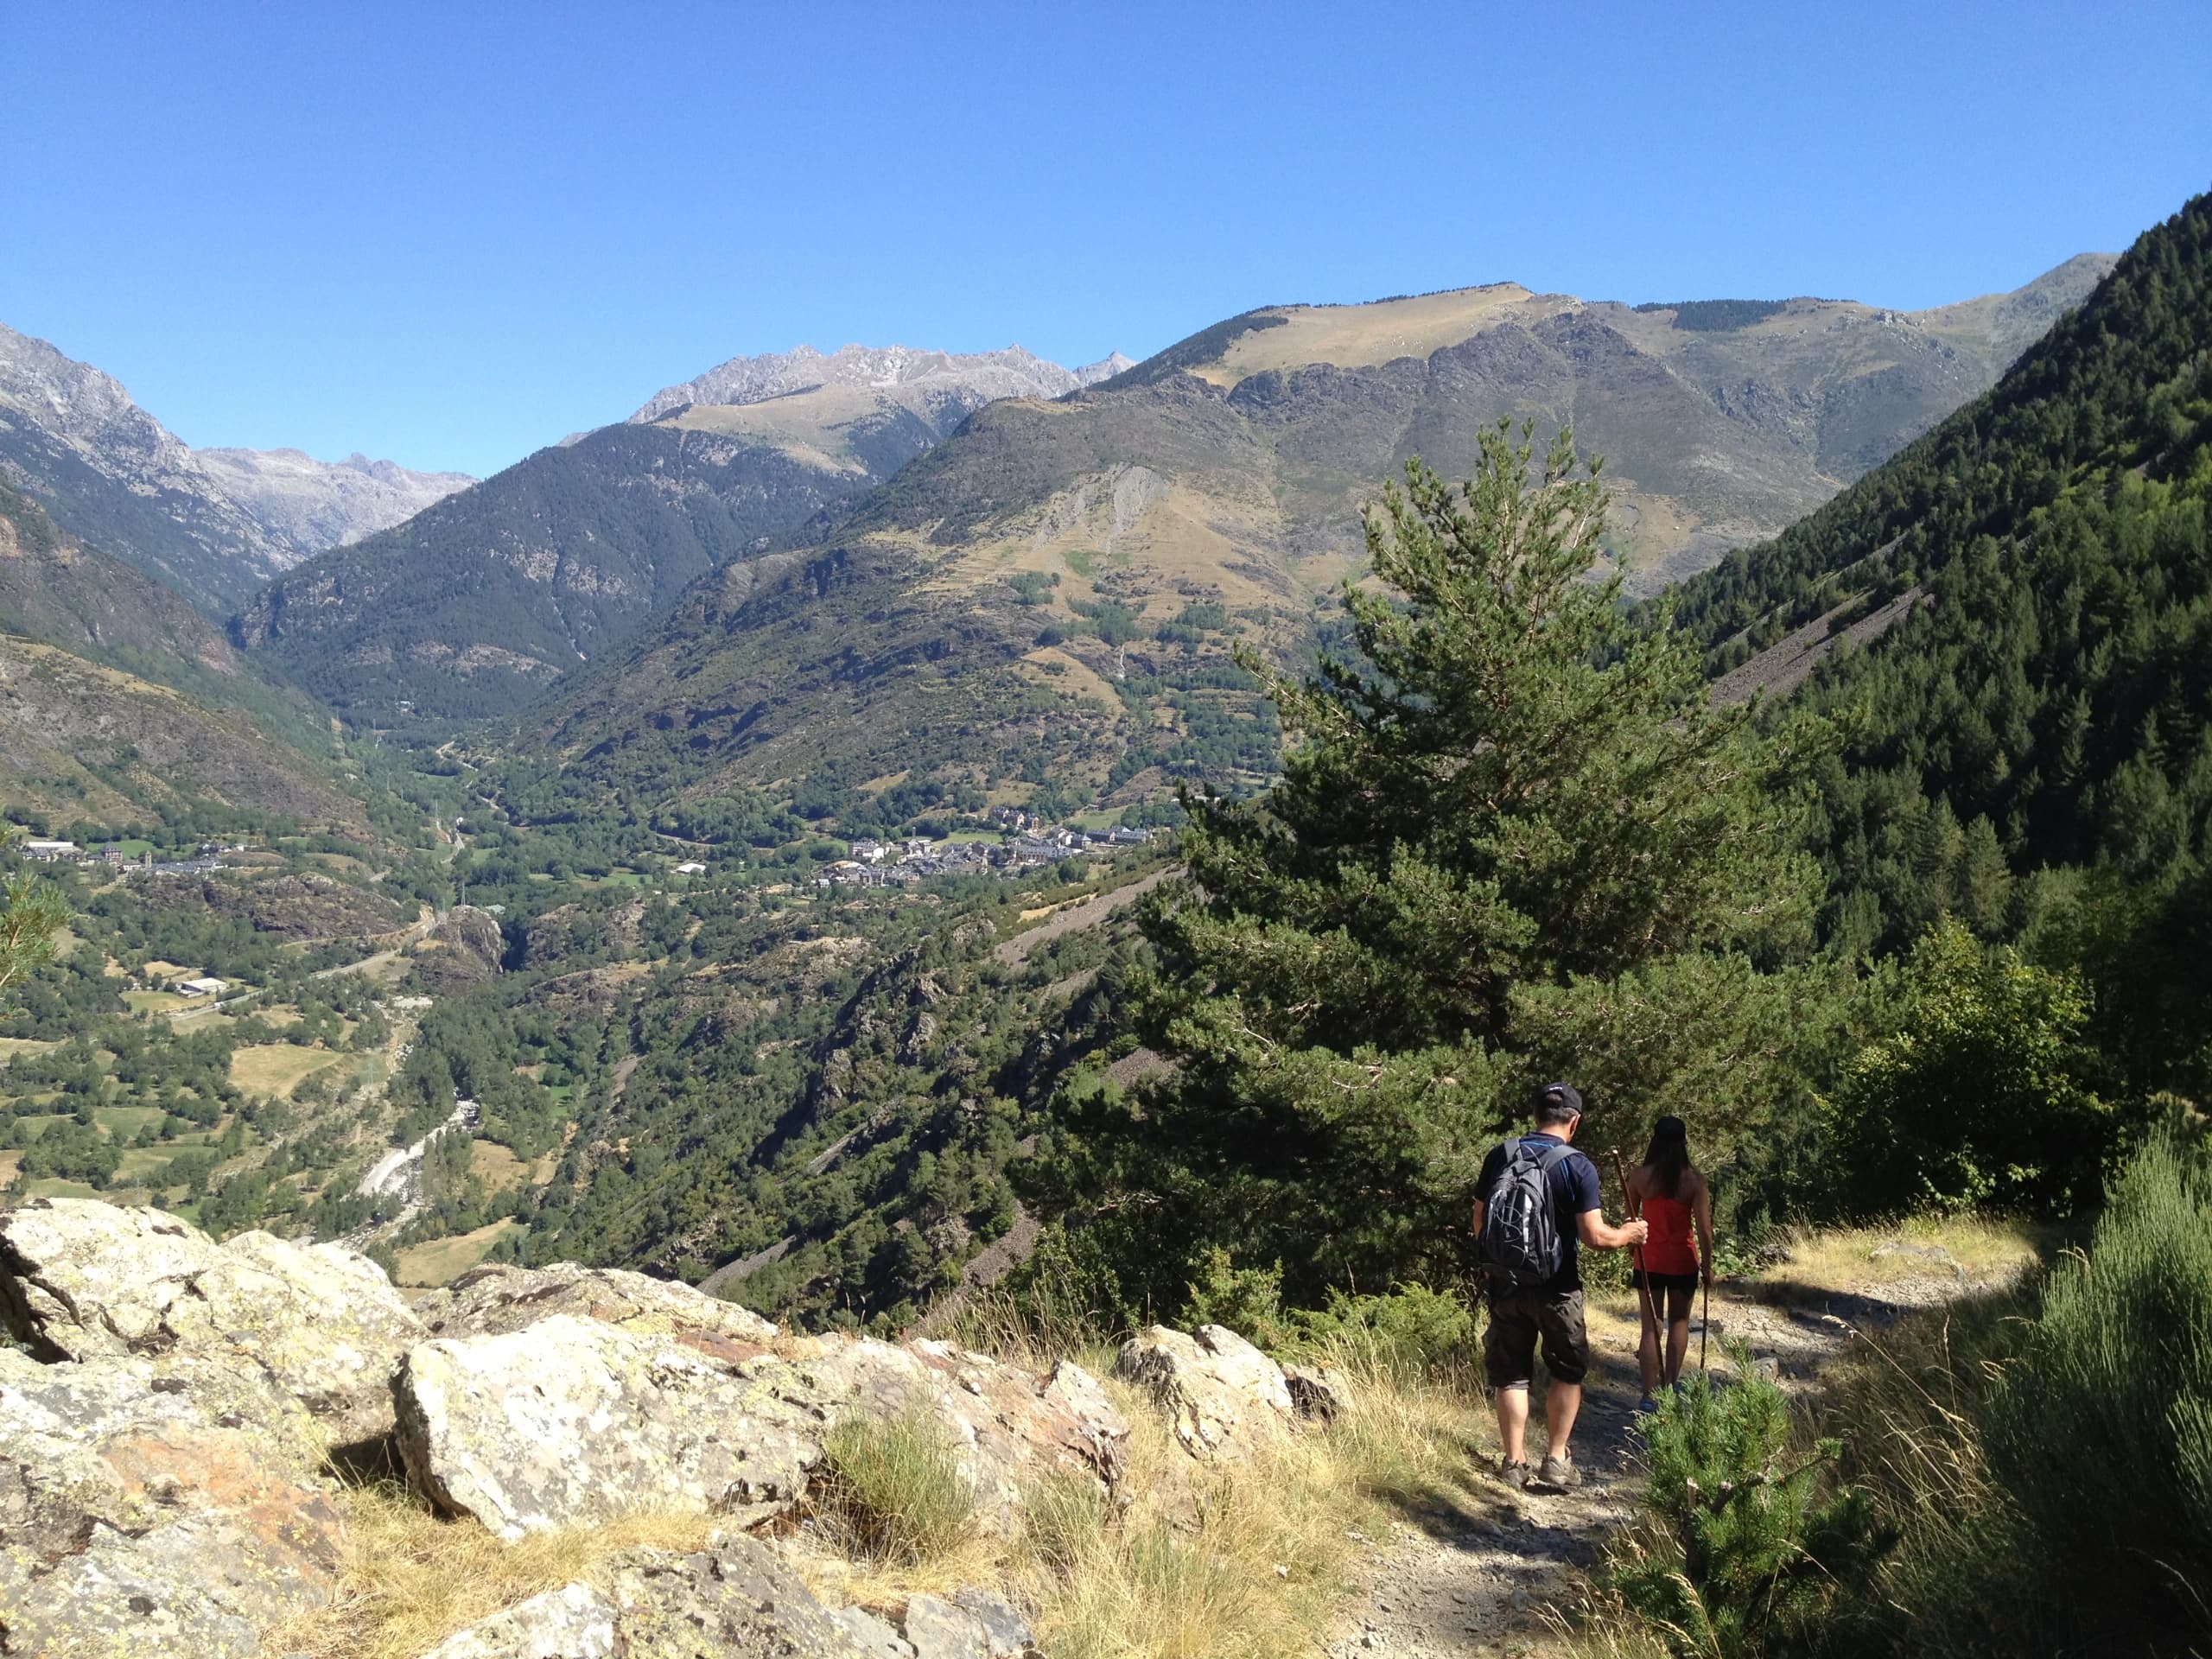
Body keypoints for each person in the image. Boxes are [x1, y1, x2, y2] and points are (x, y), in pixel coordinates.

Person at [1471, 1082, 1649, 1493]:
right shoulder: (1577, 1165)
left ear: (1535, 1116)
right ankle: (1556, 1459)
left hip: (1506, 1284)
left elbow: (1481, 1215)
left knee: (1511, 1374)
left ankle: (1514, 1462)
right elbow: (1595, 1236)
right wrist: (1630, 1235)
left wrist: (1493, 1262)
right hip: (1557, 1285)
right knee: (1567, 1371)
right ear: (1575, 1121)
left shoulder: (1502, 1153)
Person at [1624, 1114, 1714, 1412]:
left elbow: (1632, 1221)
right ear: (1683, 1141)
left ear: (1654, 1139)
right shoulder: (1694, 1180)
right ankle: (1670, 1387)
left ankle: (1649, 1396)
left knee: (1650, 1327)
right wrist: (1708, 1266)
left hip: (1648, 1257)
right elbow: (1704, 1229)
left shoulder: (1639, 1176)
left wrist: (1630, 1250)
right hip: (1682, 1260)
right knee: (1679, 1322)